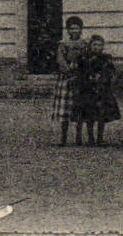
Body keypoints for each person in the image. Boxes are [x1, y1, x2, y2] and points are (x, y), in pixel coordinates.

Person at [73, 34, 120, 146]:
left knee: (101, 115)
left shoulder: (106, 58)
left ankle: (100, 137)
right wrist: (87, 78)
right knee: (89, 114)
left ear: (103, 47)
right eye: (94, 44)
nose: (97, 47)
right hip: (87, 89)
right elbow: (79, 73)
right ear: (90, 45)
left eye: (99, 45)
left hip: (102, 89)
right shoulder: (84, 58)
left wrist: (104, 78)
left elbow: (112, 72)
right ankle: (90, 138)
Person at [51, 16, 86, 147]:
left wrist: (79, 72)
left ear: (81, 30)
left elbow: (86, 60)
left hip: (80, 77)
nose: (74, 31)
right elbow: (60, 60)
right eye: (72, 29)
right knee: (65, 108)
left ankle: (78, 136)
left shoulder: (84, 44)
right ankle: (64, 137)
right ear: (68, 30)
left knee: (78, 107)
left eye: (77, 28)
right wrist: (68, 71)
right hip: (66, 78)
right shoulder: (63, 44)